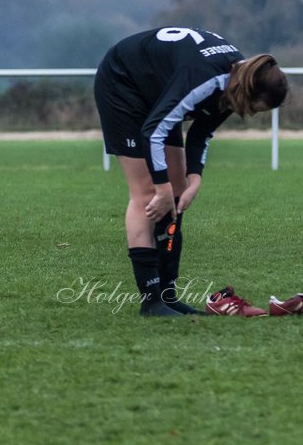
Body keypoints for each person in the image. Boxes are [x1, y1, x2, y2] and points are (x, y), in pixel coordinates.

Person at [93, 27, 288, 317]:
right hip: (124, 82)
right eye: (256, 108)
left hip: (158, 88)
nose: (250, 114)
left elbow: (201, 132)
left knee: (179, 188)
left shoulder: (239, 80)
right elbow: (153, 133)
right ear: (249, 92)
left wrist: (194, 179)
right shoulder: (205, 79)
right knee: (147, 192)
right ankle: (151, 301)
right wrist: (160, 190)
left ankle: (167, 295)